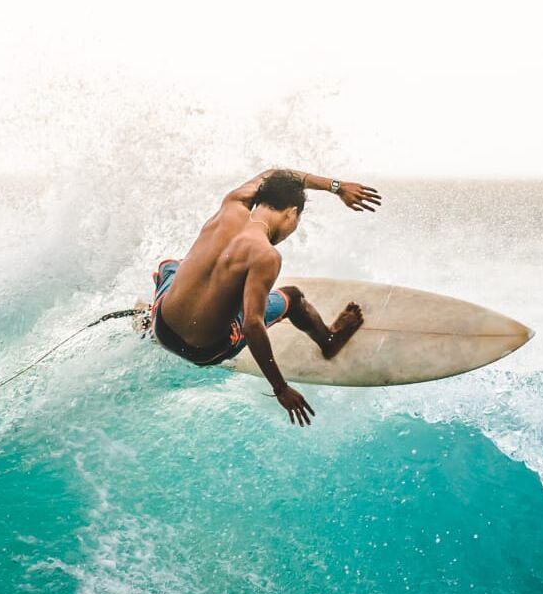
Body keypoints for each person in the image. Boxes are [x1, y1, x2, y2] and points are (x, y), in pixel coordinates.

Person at [148, 168, 381, 425]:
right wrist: (280, 388)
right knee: (292, 297)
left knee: (170, 266)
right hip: (204, 350)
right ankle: (329, 340)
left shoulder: (233, 203)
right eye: (296, 221)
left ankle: (153, 319)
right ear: (291, 214)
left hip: (163, 328)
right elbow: (252, 325)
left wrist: (337, 187)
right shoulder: (265, 255)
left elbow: (275, 172)